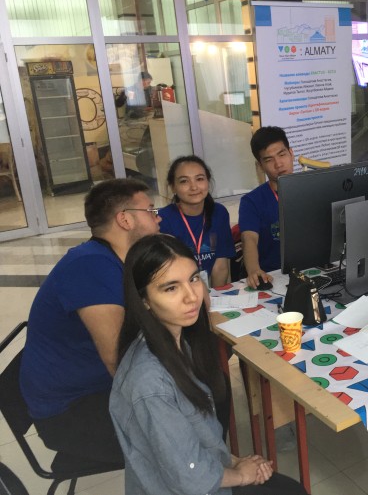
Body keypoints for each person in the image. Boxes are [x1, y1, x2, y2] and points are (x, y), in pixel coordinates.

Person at [110, 234, 307, 495]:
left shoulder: (177, 342)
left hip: (204, 475)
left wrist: (234, 461)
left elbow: (194, 438)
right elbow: (190, 476)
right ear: (143, 299)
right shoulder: (149, 382)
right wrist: (241, 474)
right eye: (171, 288)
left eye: (193, 279)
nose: (191, 296)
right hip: (189, 488)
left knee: (290, 489)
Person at [19, 178, 160, 465]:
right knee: (188, 415)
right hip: (70, 413)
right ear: (125, 219)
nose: (158, 218)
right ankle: (210, 474)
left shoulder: (113, 259)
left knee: (200, 392)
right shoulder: (90, 266)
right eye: (150, 210)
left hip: (91, 388)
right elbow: (118, 360)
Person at [158, 155, 235, 288]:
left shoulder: (219, 213)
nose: (194, 187)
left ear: (208, 182)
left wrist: (214, 296)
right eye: (184, 181)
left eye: (199, 179)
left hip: (211, 290)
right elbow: (167, 273)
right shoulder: (163, 219)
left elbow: (220, 266)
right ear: (173, 187)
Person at [239, 126, 294, 289]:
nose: (278, 164)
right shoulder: (251, 202)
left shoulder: (313, 189)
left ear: (291, 153)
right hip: (274, 277)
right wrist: (254, 270)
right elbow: (249, 238)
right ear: (261, 165)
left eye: (282, 155)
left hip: (314, 269)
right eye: (269, 160)